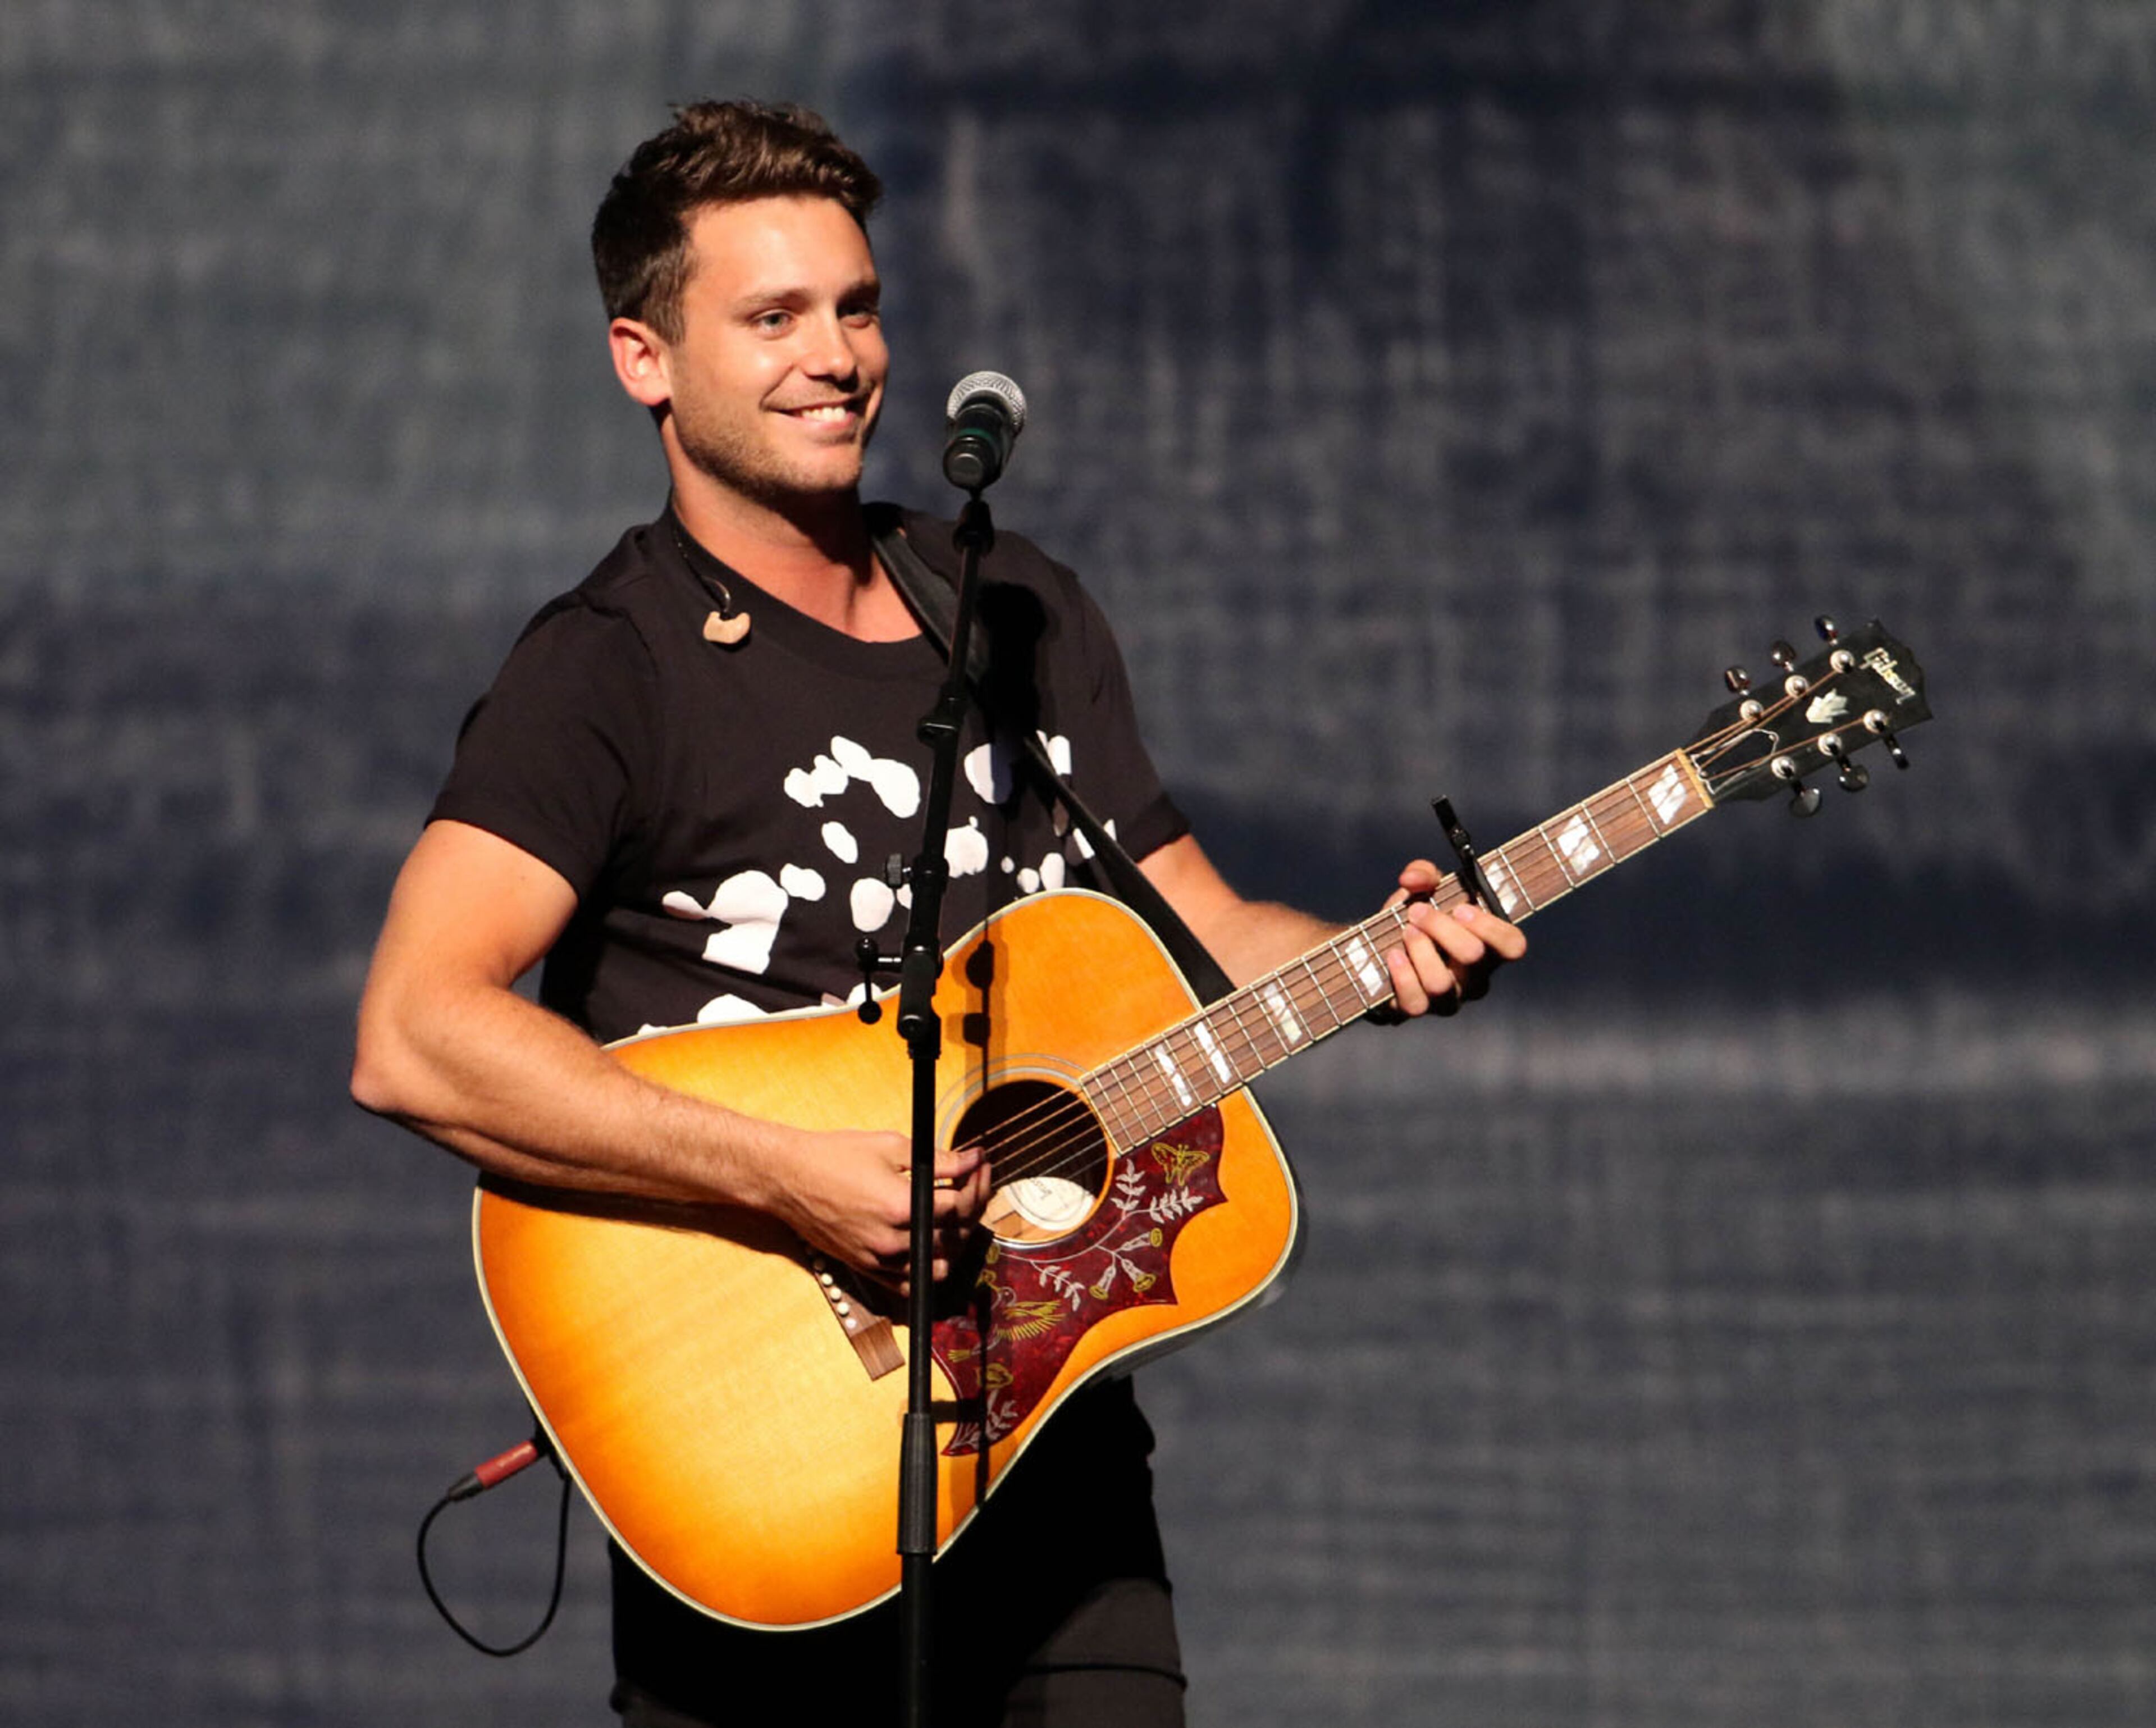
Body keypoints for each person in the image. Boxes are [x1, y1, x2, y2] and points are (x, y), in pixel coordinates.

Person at [351, 99, 1524, 1727]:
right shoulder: (606, 671)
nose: (836, 357)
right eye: (772, 318)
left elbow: (1207, 938)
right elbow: (415, 1036)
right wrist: (791, 1177)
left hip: (1055, 1453)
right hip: (757, 1461)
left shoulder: (1012, 608)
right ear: (644, 360)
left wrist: (1376, 958)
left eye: (858, 306)